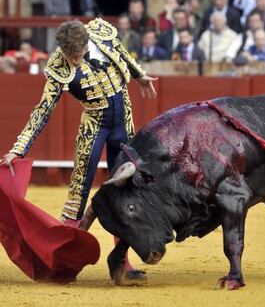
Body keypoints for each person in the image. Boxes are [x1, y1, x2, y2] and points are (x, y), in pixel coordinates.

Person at [0, 18, 157, 281]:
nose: (73, 61)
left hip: (123, 122)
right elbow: (43, 110)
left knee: (127, 190)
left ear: (87, 43)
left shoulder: (102, 34)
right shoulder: (58, 66)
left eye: (77, 54)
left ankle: (121, 263)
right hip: (94, 128)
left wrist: (139, 76)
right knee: (78, 194)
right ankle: (60, 263)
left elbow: (120, 53)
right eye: (69, 55)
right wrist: (19, 149)